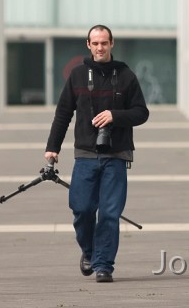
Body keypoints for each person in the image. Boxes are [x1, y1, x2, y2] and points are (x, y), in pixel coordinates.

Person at [45, 25, 149, 283]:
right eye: (96, 43)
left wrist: (116, 115)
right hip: (85, 154)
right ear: (88, 45)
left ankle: (104, 265)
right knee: (81, 209)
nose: (100, 47)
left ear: (112, 43)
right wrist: (52, 147)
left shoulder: (126, 76)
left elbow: (141, 112)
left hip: (117, 154)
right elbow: (63, 113)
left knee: (110, 213)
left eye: (104, 42)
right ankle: (90, 251)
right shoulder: (78, 75)